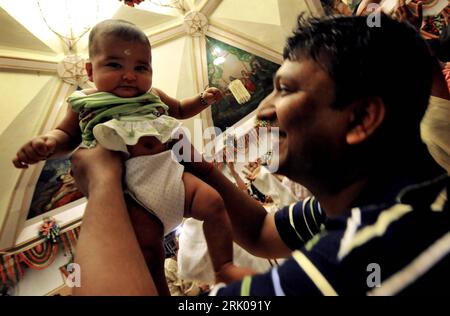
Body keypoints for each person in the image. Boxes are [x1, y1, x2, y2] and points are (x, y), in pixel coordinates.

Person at [70, 14, 449, 295]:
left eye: (284, 89)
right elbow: (261, 231)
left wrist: (103, 184)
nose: (264, 110)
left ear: (361, 118)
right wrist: (194, 161)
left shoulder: (369, 251)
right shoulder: (392, 196)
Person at [12, 19, 252, 295]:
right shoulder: (86, 102)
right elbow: (66, 137)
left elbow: (181, 109)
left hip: (170, 173)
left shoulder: (153, 95)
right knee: (149, 252)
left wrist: (202, 100)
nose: (129, 75)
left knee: (214, 203)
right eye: (114, 65)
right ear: (90, 70)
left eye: (141, 67)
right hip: (132, 192)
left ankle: (223, 266)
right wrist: (48, 142)